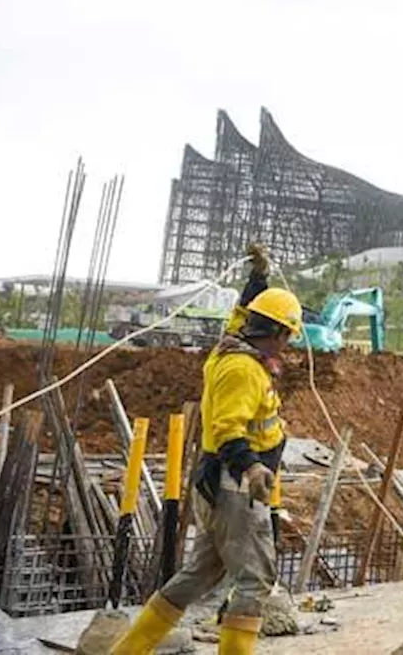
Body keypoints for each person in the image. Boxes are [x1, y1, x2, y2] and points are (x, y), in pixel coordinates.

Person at [112, 244, 301, 655]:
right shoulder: (243, 369)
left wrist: (258, 279)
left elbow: (242, 315)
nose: (288, 345)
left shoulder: (230, 347)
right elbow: (227, 427)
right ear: (280, 333)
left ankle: (126, 651)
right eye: (288, 336)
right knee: (254, 581)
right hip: (236, 486)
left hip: (216, 484)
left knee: (197, 575)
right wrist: (251, 468)